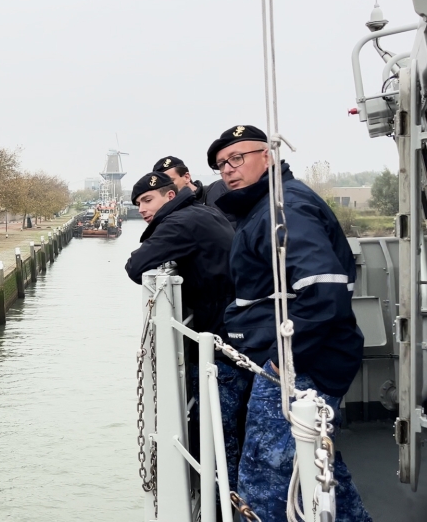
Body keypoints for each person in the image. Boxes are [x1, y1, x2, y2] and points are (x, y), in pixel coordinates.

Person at [209, 125, 370, 521]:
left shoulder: (284, 208)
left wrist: (285, 360)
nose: (228, 170)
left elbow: (323, 287)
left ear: (268, 156)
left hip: (301, 367)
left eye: (237, 158)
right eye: (220, 165)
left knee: (266, 478)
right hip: (300, 362)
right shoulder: (265, 207)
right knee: (316, 463)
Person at [124, 171, 251, 490]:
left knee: (218, 434)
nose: (141, 208)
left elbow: (135, 267)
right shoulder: (202, 211)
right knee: (226, 429)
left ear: (170, 196)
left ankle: (226, 502)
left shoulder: (180, 223)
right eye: (138, 203)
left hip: (220, 339)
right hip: (236, 330)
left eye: (147, 200)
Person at [154, 155, 235, 226]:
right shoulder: (171, 215)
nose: (167, 189)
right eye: (162, 186)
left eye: (171, 182)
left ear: (187, 177)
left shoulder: (219, 189)